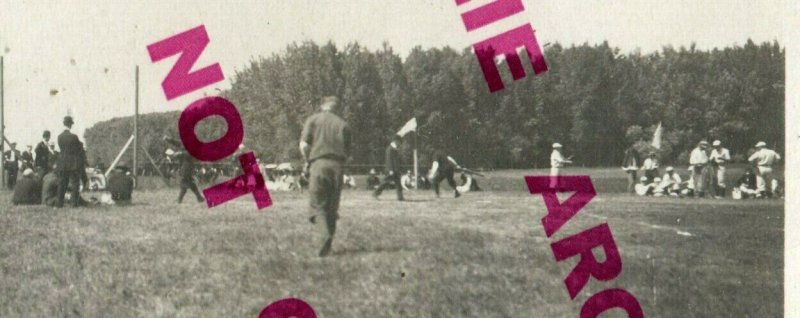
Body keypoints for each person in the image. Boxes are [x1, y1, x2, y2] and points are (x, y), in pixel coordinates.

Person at [300, 96, 352, 257]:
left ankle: (324, 236)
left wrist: (307, 161)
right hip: (337, 166)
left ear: (323, 105)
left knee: (318, 205)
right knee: (332, 207)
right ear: (336, 108)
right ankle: (328, 246)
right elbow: (348, 153)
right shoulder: (343, 124)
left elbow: (304, 145)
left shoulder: (313, 120)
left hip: (319, 164)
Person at [164, 140, 205, 204]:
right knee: (191, 184)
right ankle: (199, 198)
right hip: (186, 169)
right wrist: (168, 139)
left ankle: (179, 200)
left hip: (187, 170)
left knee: (184, 185)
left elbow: (188, 154)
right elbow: (177, 143)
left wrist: (179, 153)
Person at [56, 116, 85, 208]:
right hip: (73, 163)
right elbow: (79, 149)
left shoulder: (59, 137)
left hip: (63, 163)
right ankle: (73, 204)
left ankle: (59, 203)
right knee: (75, 184)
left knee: (62, 183)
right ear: (70, 125)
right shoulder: (74, 137)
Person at [373, 135, 404, 201]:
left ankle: (400, 197)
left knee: (398, 183)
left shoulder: (394, 149)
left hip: (395, 169)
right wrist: (391, 170)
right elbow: (389, 160)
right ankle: (375, 193)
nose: (399, 143)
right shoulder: (390, 149)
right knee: (385, 182)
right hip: (391, 170)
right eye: (399, 142)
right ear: (395, 141)